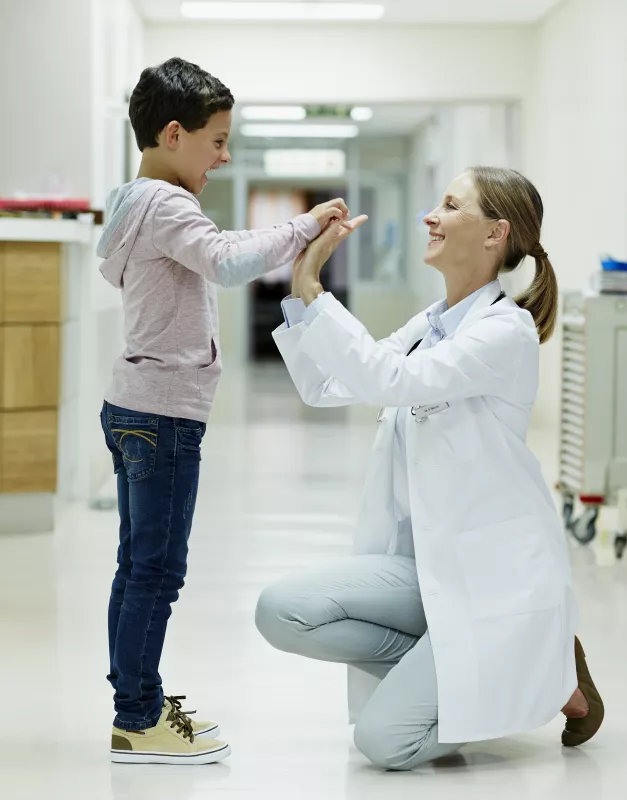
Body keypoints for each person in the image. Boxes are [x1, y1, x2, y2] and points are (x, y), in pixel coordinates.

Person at [255, 167, 605, 770]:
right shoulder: (431, 324)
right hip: (430, 571)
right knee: (281, 610)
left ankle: (548, 676)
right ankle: (457, 663)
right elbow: (329, 384)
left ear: (495, 234)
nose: (430, 216)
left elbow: (391, 381)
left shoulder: (505, 332)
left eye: (449, 205)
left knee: (385, 743)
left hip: (496, 583)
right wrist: (299, 287)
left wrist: (315, 286)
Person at [97, 57, 349, 766]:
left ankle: (135, 700)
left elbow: (218, 252)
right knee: (156, 571)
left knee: (136, 566)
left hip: (134, 405)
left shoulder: (133, 202)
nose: (224, 155)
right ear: (173, 134)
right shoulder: (168, 204)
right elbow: (230, 263)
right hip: (164, 414)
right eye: (216, 140)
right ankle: (137, 718)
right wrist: (302, 228)